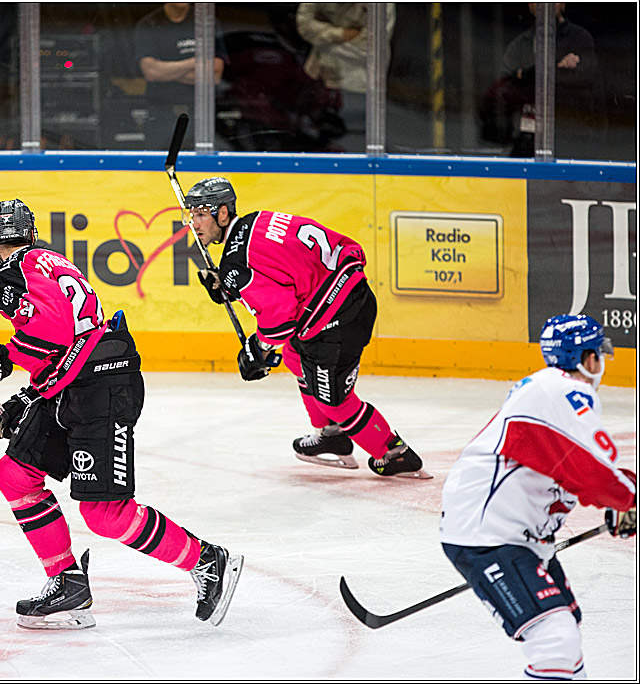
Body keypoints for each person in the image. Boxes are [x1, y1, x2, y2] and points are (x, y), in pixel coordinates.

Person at [0, 199, 242, 630]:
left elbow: (55, 334)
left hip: (101, 389)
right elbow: (71, 339)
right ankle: (66, 581)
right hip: (80, 382)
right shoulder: (50, 261)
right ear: (31, 233)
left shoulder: (11, 274)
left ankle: (208, 560)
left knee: (106, 514)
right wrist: (29, 397)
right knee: (16, 473)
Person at [184, 176, 429, 479]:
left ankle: (395, 453)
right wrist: (231, 287)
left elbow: (280, 321)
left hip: (337, 322)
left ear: (222, 213)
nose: (194, 224)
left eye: (200, 215)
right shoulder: (256, 221)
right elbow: (284, 270)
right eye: (191, 215)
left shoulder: (237, 263)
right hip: (351, 296)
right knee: (294, 355)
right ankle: (332, 436)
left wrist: (257, 349)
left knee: (335, 401)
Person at [439, 314, 636, 680]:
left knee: (565, 631)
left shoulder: (549, 392)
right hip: (488, 534)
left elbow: (570, 468)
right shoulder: (562, 392)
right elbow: (589, 469)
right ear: (588, 359)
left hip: (512, 534)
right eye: (599, 354)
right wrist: (627, 500)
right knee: (554, 639)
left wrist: (621, 500)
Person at [494, 3, 602, 158]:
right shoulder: (520, 44)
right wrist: (557, 67)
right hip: (527, 140)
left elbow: (585, 79)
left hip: (572, 138)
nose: (545, 4)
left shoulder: (580, 39)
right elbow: (506, 88)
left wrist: (526, 75)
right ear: (530, 5)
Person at [295, 3, 396, 153]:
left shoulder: (382, 5)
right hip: (319, 80)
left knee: (361, 148)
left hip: (360, 87)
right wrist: (343, 34)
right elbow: (305, 26)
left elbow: (371, 44)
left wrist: (325, 41)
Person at [133, 2, 226, 149]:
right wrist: (195, 62)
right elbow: (151, 72)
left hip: (201, 117)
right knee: (160, 167)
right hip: (162, 115)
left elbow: (215, 74)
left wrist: (167, 71)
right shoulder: (149, 24)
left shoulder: (206, 22)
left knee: (200, 168)